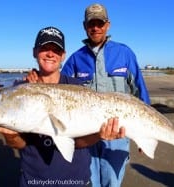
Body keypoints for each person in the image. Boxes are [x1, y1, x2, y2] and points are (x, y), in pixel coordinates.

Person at [0, 26, 125, 187]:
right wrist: (11, 137)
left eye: (56, 50)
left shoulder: (78, 88)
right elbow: (21, 144)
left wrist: (99, 134)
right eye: (44, 48)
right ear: (34, 51)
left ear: (63, 55)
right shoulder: (20, 89)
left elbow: (78, 143)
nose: (50, 54)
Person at [61, 3, 150, 187]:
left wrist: (145, 134)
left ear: (107, 25)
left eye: (99, 23)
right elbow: (58, 90)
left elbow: (140, 90)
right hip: (86, 136)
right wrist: (37, 78)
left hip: (117, 134)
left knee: (112, 182)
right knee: (89, 182)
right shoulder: (75, 60)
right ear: (84, 26)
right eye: (91, 23)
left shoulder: (124, 53)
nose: (95, 28)